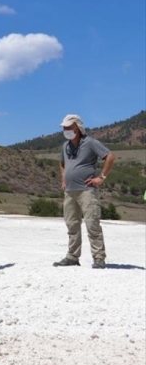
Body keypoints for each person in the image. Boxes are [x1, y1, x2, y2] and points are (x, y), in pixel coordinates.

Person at [53, 114, 116, 269]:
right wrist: (63, 179)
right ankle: (72, 256)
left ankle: (99, 257)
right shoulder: (65, 146)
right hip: (70, 191)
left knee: (92, 223)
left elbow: (110, 156)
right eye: (64, 127)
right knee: (72, 224)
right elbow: (62, 163)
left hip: (87, 190)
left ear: (78, 127)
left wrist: (101, 177)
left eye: (69, 127)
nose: (66, 130)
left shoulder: (90, 143)